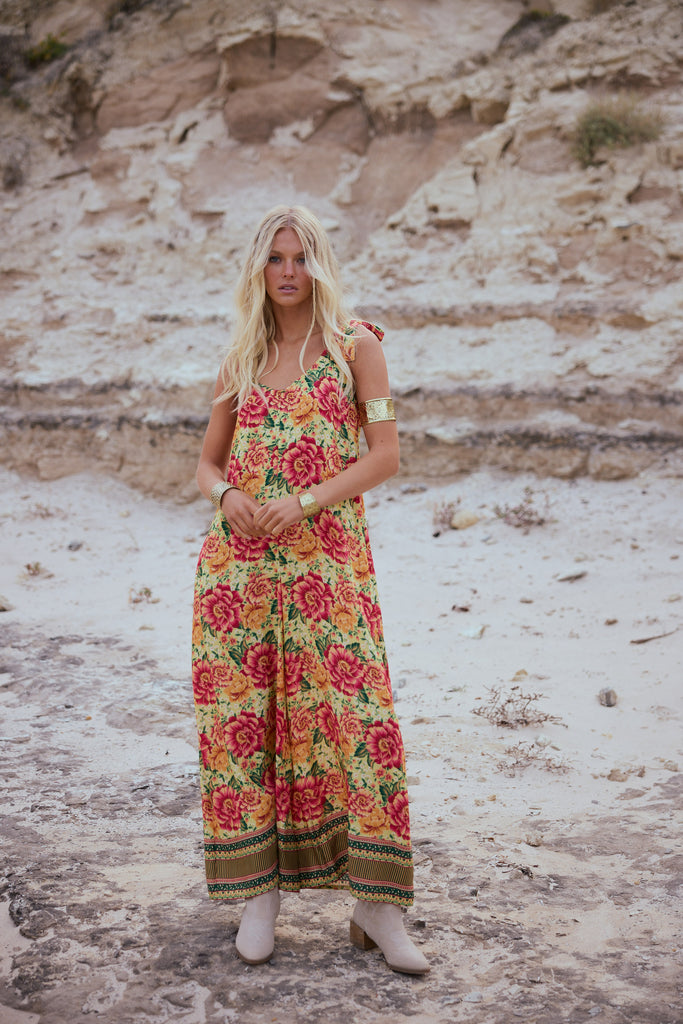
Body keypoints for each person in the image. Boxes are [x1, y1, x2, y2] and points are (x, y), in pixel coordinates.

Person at [191, 205, 429, 975]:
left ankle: (376, 905)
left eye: (299, 258)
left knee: (360, 724)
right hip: (241, 577)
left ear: (318, 263)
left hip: (329, 569)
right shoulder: (241, 356)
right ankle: (258, 900)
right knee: (245, 731)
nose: (288, 272)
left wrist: (304, 501)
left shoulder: (356, 347)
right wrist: (227, 498)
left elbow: (385, 454)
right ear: (258, 270)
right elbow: (206, 465)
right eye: (274, 259)